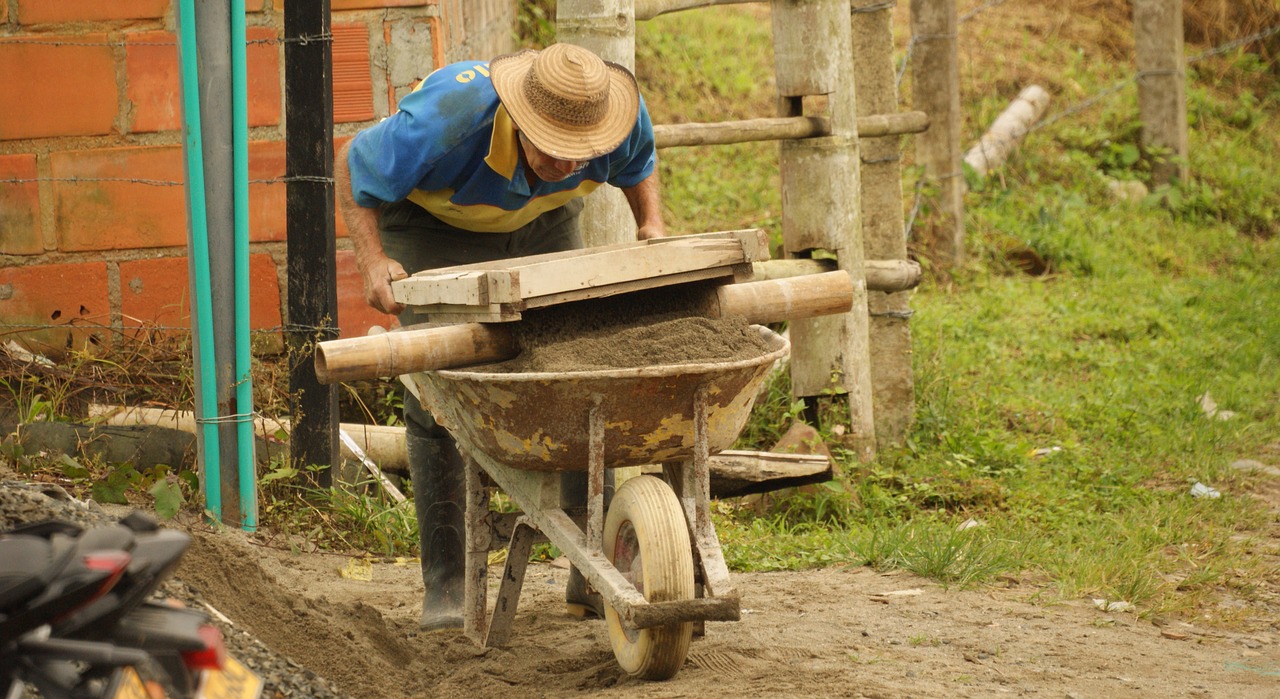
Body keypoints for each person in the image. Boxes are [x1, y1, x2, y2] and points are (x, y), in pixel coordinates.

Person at [334, 43, 667, 631]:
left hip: (545, 222)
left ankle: (592, 574)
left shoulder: (613, 112)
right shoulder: (451, 114)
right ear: (518, 117)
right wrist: (373, 261)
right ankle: (449, 584)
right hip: (435, 225)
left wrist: (652, 226)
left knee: (583, 373)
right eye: (554, 149)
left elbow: (638, 168)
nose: (569, 163)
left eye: (580, 154)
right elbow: (352, 163)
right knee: (439, 388)